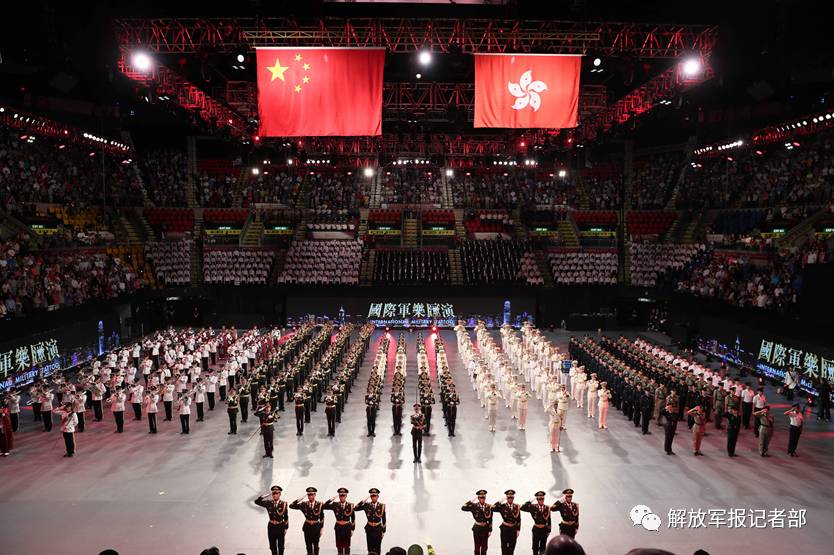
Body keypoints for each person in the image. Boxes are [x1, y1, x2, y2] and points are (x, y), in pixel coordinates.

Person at [290, 487, 325, 555]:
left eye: (312, 494)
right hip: (307, 527)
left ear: (315, 495)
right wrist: (301, 499)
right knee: (308, 545)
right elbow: (291, 506)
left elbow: (322, 517)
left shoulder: (320, 504)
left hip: (316, 527)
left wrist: (321, 528)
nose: (310, 496)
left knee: (316, 545)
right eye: (309, 495)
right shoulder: (304, 504)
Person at [255, 485, 289, 555]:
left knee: (281, 546)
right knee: (272, 546)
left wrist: (286, 528)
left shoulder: (284, 504)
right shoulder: (268, 503)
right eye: (273, 493)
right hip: (271, 526)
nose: (275, 495)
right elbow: (257, 502)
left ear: (280, 494)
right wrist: (266, 495)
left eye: (277, 493)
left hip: (280, 526)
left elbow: (286, 516)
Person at [323, 487, 356, 555]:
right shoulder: (335, 505)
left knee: (347, 546)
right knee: (339, 546)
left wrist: (352, 529)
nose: (342, 497)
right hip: (338, 527)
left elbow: (353, 518)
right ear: (339, 496)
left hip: (347, 527)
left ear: (346, 496)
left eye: (343, 495)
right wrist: (332, 499)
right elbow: (324, 506)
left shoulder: (350, 505)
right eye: (340, 495)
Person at [356, 488, 387, 555]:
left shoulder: (382, 506)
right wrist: (364, 500)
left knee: (377, 548)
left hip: (378, 529)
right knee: (370, 548)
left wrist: (383, 531)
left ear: (377, 496)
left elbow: (384, 519)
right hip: (369, 529)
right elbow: (355, 508)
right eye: (372, 496)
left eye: (375, 496)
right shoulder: (366, 505)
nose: (373, 497)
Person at [462, 489, 493, 555]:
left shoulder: (488, 507)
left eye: (484, 497)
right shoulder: (474, 506)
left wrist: (490, 530)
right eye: (481, 497)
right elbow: (463, 508)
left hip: (485, 528)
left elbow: (490, 519)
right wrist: (472, 500)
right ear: (478, 498)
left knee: (484, 548)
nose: (482, 499)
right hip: (477, 529)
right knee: (477, 548)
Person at [521, 491, 552, 555]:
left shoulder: (547, 508)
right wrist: (531, 500)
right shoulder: (533, 507)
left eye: (542, 499)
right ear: (537, 500)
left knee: (543, 548)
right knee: (535, 547)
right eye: (539, 499)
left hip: (544, 529)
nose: (541, 500)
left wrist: (549, 531)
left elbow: (549, 520)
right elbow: (522, 508)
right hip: (536, 529)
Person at [492, 489, 521, 555]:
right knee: (504, 548)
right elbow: (492, 508)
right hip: (505, 529)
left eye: (511, 497)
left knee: (512, 548)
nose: (510, 499)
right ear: (506, 498)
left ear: (513, 498)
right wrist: (501, 500)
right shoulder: (502, 506)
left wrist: (518, 530)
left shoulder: (517, 507)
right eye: (508, 497)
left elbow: (519, 519)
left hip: (513, 529)